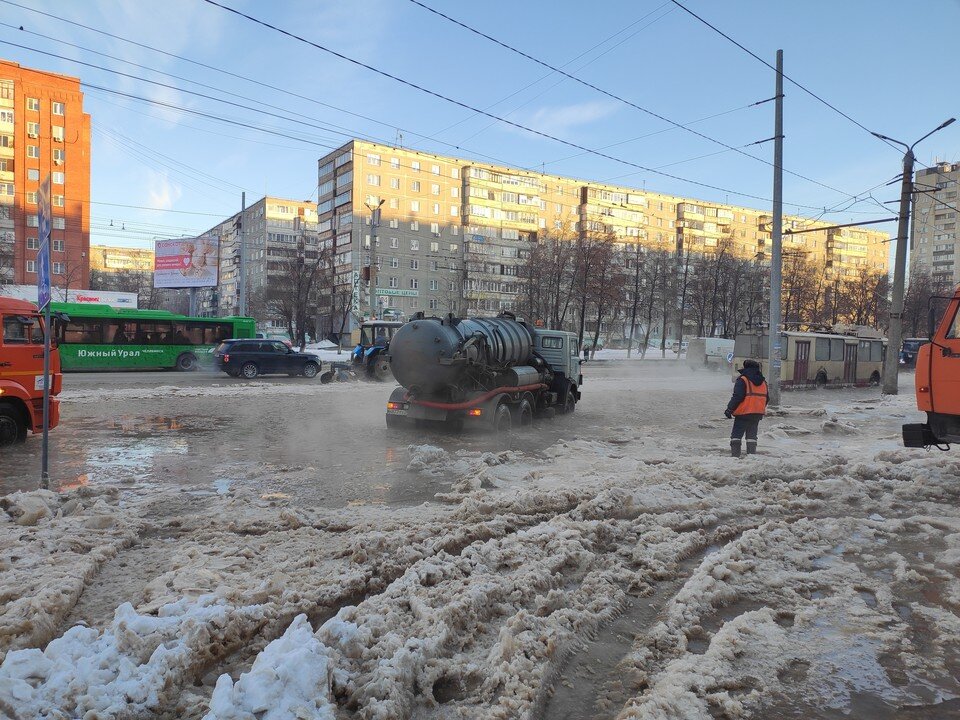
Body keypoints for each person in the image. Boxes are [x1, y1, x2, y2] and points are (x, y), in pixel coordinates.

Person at [724, 359, 768, 457]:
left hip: (743, 413)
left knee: (736, 436)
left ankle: (735, 458)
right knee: (752, 437)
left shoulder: (743, 380)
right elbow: (767, 398)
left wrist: (729, 409)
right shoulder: (763, 382)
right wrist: (757, 408)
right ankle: (751, 458)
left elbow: (737, 396)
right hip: (757, 414)